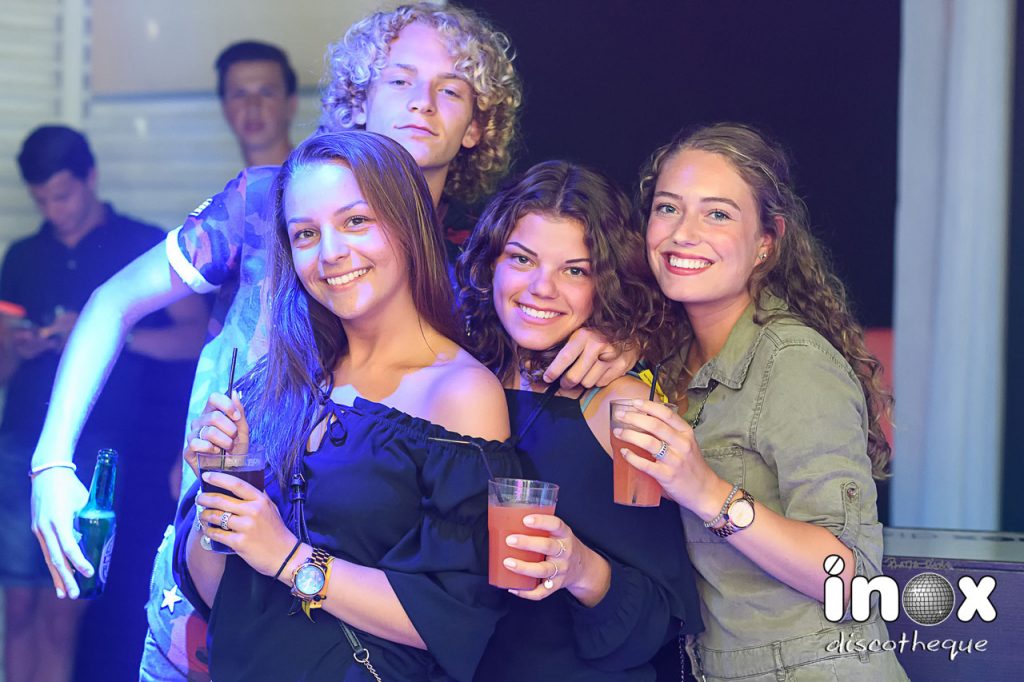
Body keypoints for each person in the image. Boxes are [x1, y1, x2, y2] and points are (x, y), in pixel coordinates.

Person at [29, 4, 632, 680]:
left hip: (351, 622)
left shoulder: (473, 263)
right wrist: (52, 463)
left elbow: (542, 331)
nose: (422, 102)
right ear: (358, 96)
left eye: (450, 88)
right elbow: (113, 301)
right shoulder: (266, 200)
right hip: (217, 563)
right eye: (400, 79)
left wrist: (615, 342)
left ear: (477, 126)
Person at [174, 130, 518, 681]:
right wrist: (221, 486)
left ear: (407, 223)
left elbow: (456, 617)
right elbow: (221, 596)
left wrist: (288, 557)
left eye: (356, 221)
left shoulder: (461, 393)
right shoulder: (275, 383)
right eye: (306, 234)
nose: (330, 252)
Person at [614, 123, 908, 680]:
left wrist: (706, 490)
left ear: (766, 243)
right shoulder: (671, 360)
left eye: (718, 214)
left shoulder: (794, 362)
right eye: (668, 208)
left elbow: (850, 576)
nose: (683, 233)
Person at [457, 160, 703, 680]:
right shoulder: (460, 378)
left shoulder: (622, 404)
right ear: (490, 264)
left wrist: (579, 568)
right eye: (522, 259)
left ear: (604, 284)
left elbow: (664, 615)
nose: (541, 288)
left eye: (575, 270)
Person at [0, 126, 206, 682]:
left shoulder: (139, 242)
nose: (54, 211)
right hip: (20, 443)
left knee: (64, 610)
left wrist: (112, 335)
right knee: (16, 607)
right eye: (41, 200)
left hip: (105, 449)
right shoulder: (23, 256)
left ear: (90, 178)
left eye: (63, 195)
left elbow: (196, 335)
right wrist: (19, 346)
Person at [215, 40, 298, 167]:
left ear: (291, 104)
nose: (253, 106)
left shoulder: (320, 176)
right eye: (240, 94)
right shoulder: (237, 181)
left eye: (266, 93)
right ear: (224, 107)